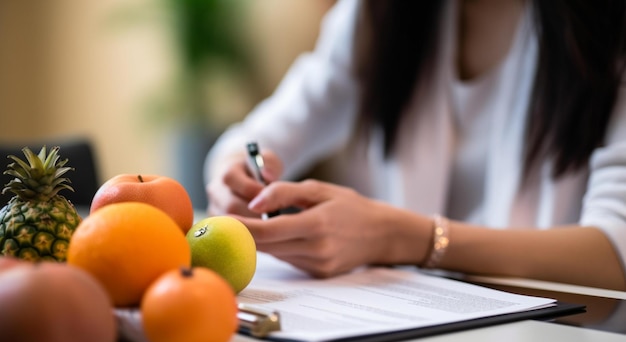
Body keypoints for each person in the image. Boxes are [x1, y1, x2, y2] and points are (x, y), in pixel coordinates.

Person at [204, 0, 626, 291]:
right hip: (420, 341)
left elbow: (616, 259)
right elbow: (257, 136)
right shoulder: (383, 13)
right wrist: (235, 173)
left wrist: (408, 239)